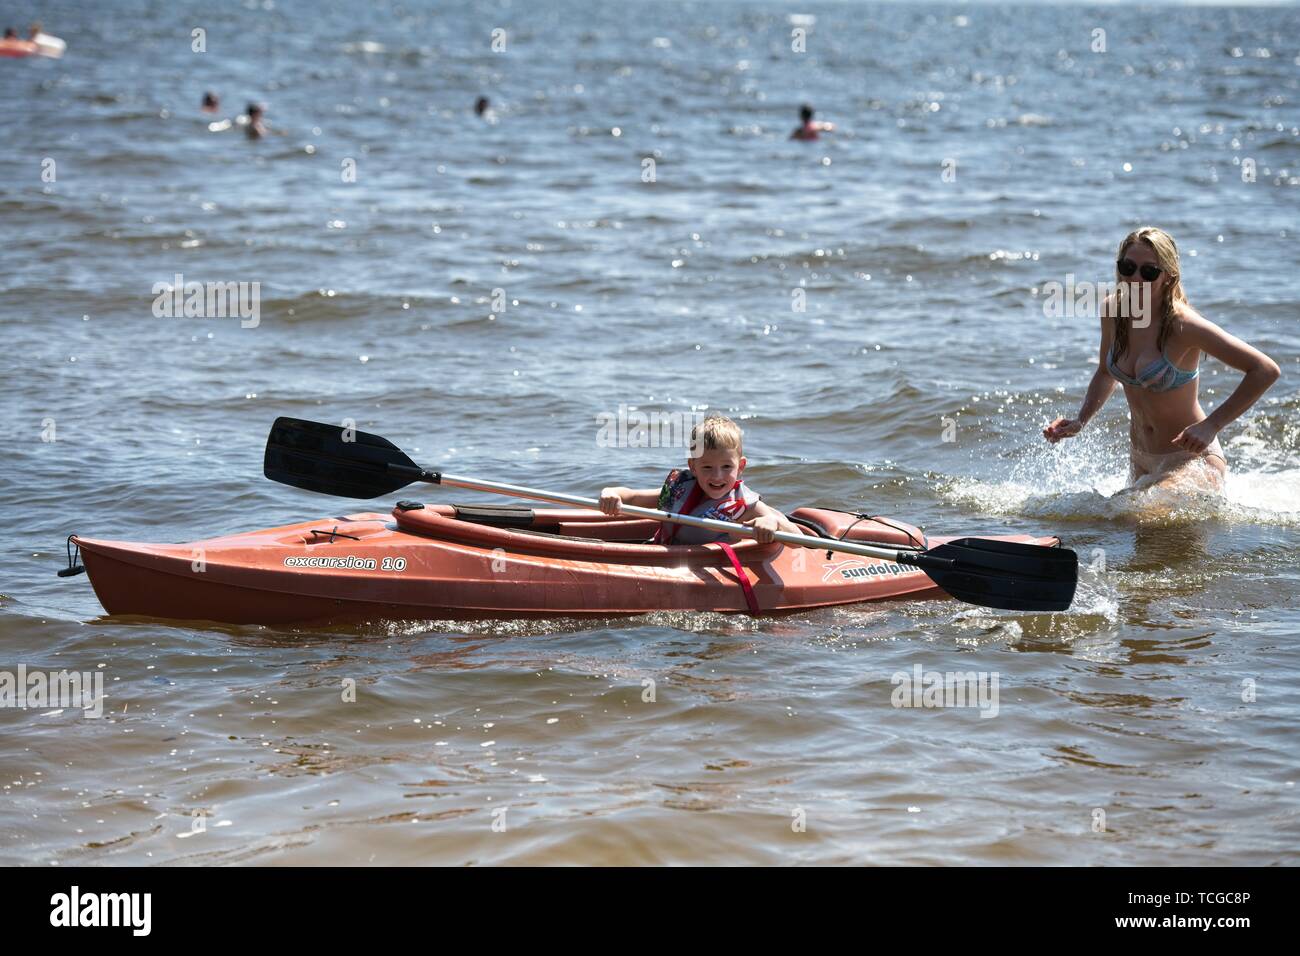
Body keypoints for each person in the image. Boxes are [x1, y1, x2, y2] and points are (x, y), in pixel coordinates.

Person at [1044, 226, 1280, 491]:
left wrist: (1211, 426)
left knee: (1135, 514)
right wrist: (1080, 420)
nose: (1135, 279)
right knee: (1122, 523)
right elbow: (1105, 372)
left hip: (1191, 461)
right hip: (1141, 459)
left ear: (1168, 276)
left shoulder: (1184, 325)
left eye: (1149, 272)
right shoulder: (1113, 309)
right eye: (1128, 267)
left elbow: (1264, 370)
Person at [600, 414, 800, 544]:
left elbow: (798, 539)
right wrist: (612, 493)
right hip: (662, 553)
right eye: (707, 467)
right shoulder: (681, 488)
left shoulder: (745, 505)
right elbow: (634, 497)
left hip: (704, 565)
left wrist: (772, 522)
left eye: (726, 467)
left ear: (740, 467)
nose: (717, 476)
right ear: (692, 467)